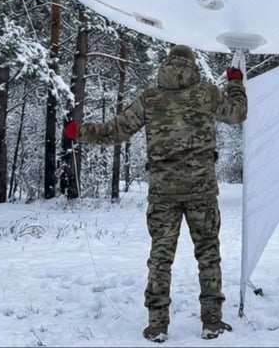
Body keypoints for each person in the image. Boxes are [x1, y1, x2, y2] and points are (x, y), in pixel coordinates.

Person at [64, 43, 248, 343]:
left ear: (166, 65)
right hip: (201, 190)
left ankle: (158, 325)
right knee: (208, 254)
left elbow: (117, 131)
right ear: (192, 66)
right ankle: (211, 321)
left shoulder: (150, 98)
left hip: (163, 193)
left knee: (161, 258)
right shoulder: (207, 94)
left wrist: (79, 131)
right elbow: (238, 113)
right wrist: (235, 81)